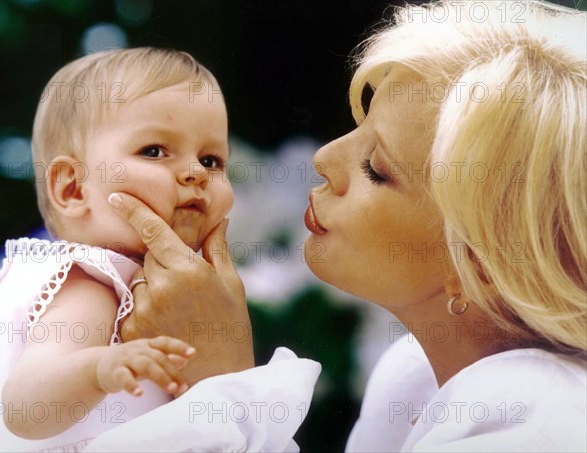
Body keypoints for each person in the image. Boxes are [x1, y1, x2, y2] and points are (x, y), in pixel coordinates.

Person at [106, 1, 586, 451]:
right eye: (360, 127)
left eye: (376, 168)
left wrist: (222, 386)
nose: (325, 158)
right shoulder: (414, 372)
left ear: (480, 263)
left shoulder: (535, 418)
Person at [0, 47, 319, 452]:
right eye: (155, 151)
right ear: (72, 188)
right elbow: (25, 408)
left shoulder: (152, 288)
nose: (196, 173)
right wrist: (99, 369)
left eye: (212, 159)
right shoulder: (89, 282)